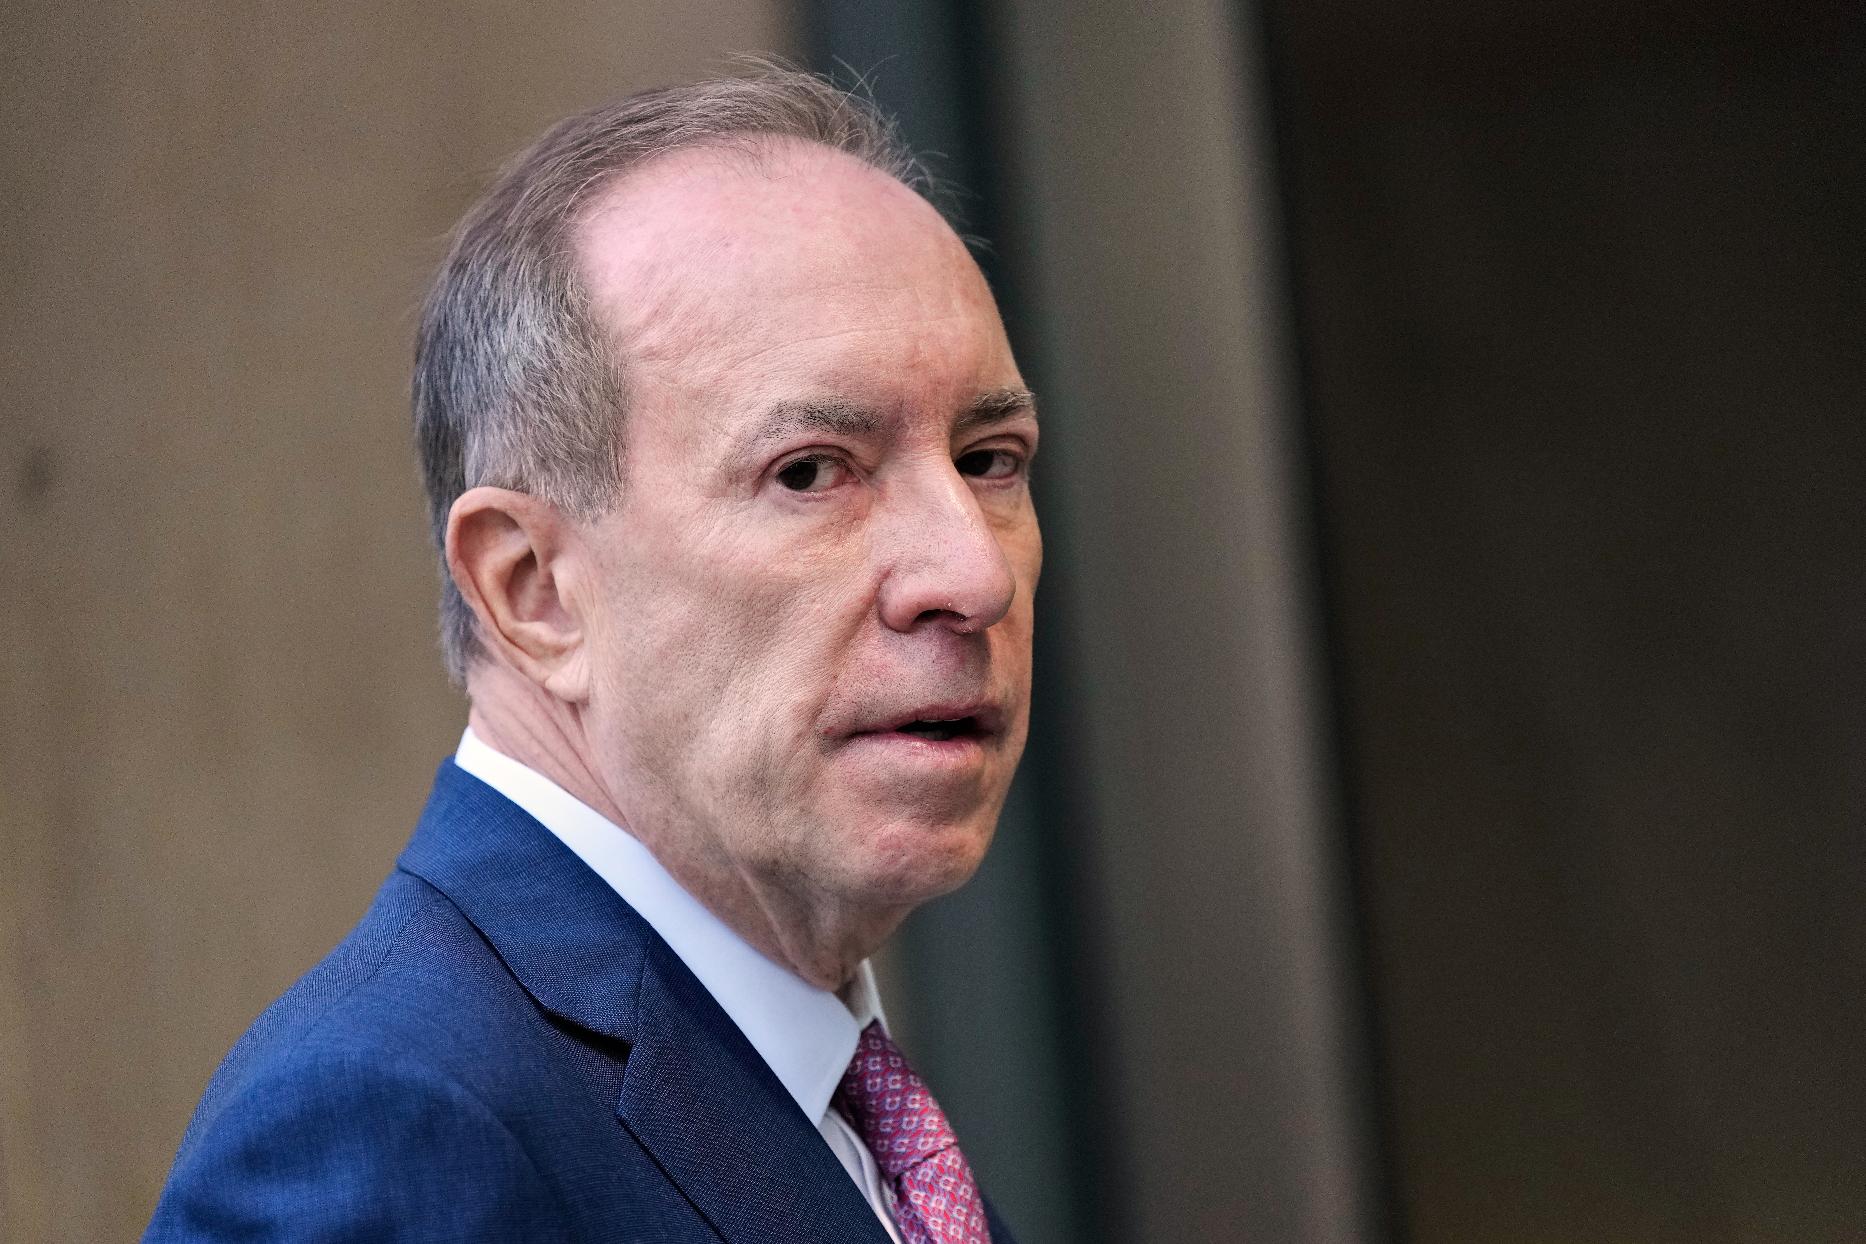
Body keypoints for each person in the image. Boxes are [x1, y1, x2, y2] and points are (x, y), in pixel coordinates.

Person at [145, 69, 1040, 1243]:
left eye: (989, 458)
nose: (971, 573)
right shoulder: (388, 1123)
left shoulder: (837, 1098)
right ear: (531, 589)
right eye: (812, 470)